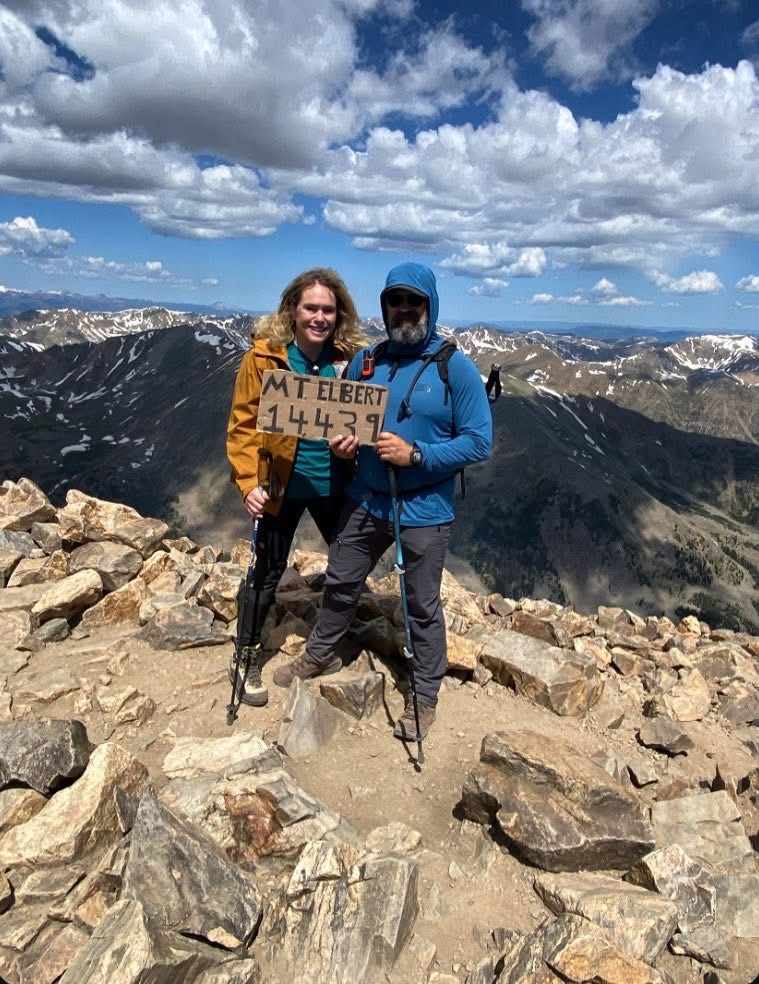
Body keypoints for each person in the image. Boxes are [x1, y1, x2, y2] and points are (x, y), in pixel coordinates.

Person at [272, 262, 493, 740]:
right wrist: (341, 444)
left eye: (414, 301)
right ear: (385, 307)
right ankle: (320, 653)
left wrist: (416, 454)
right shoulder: (366, 362)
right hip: (366, 498)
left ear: (429, 307)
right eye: (396, 301)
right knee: (341, 580)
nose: (404, 309)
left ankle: (424, 692)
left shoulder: (454, 367)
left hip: (425, 507)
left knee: (421, 603)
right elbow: (341, 424)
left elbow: (479, 441)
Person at [226, 268, 367, 707]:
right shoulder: (264, 358)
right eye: (311, 308)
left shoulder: (353, 363)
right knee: (266, 572)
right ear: (293, 309)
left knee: (348, 565)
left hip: (333, 484)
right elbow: (243, 425)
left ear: (338, 314)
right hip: (279, 484)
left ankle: (329, 640)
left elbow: (363, 425)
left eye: (328, 309)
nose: (319, 317)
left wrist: (353, 449)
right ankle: (246, 654)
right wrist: (248, 481)